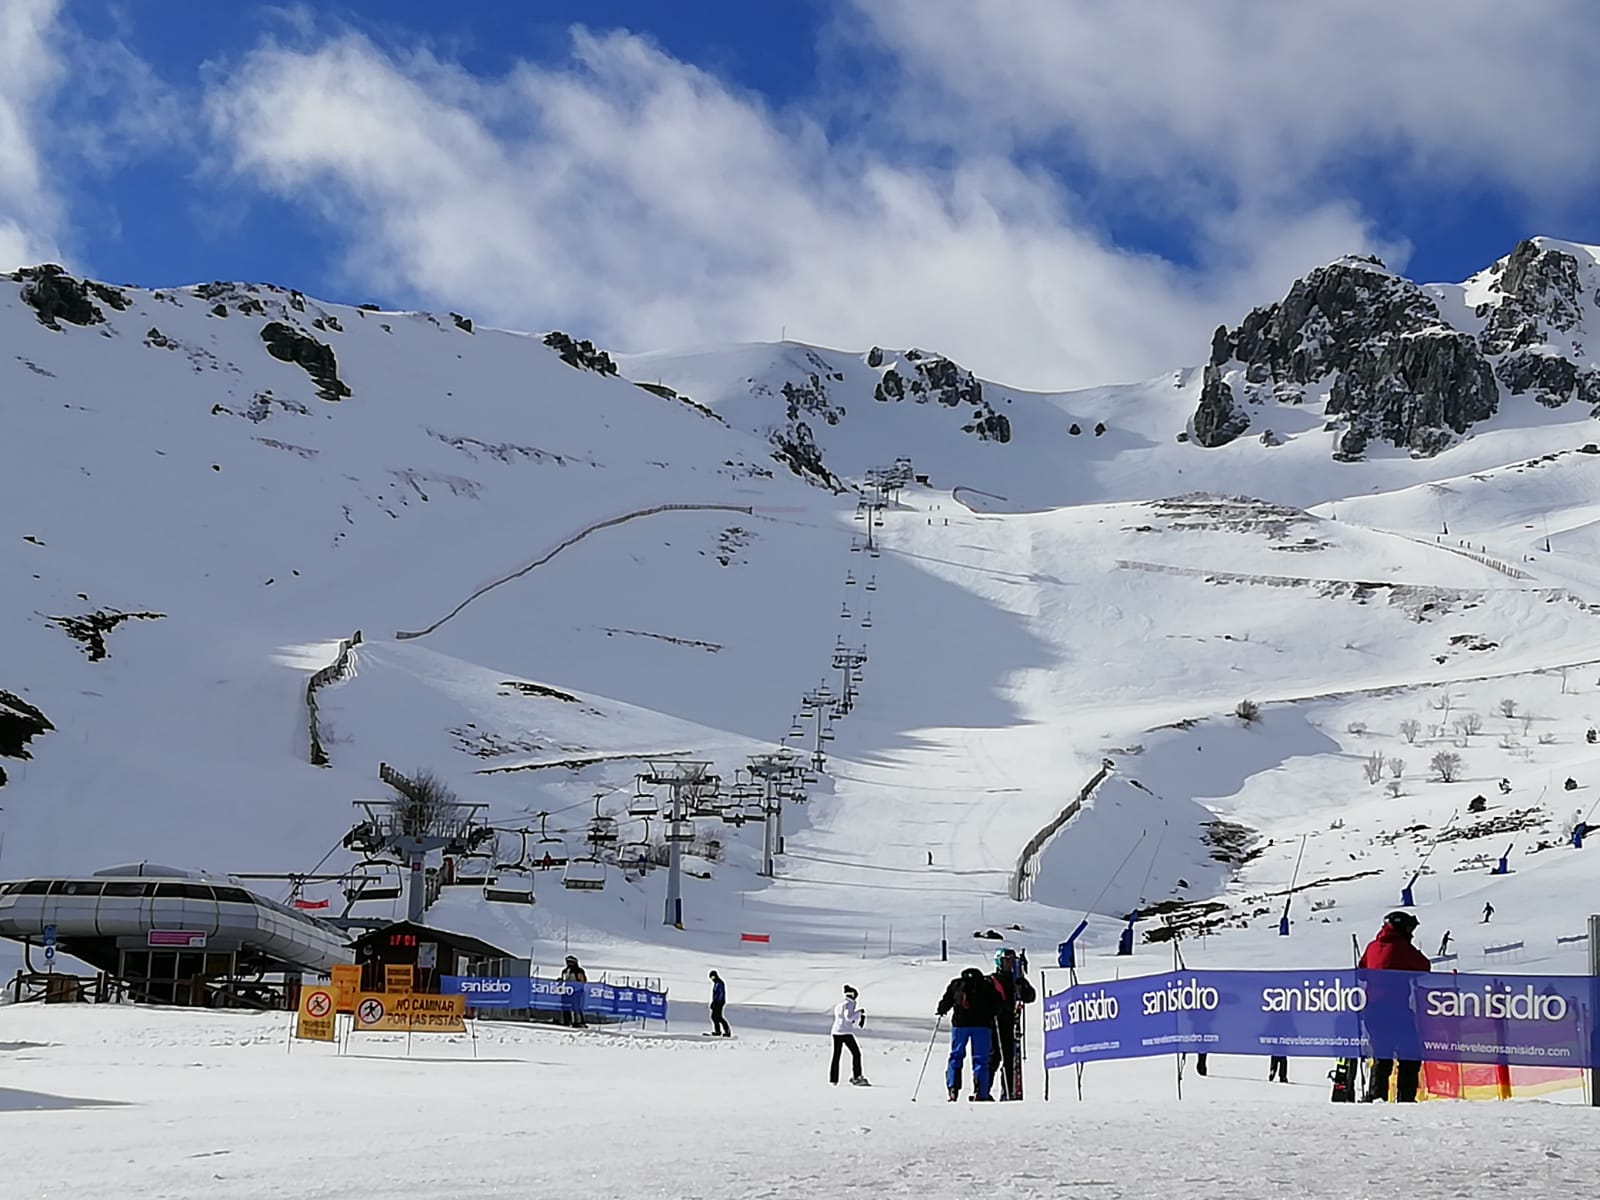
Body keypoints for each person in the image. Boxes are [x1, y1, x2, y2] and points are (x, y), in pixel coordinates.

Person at [1358, 910, 1430, 1102]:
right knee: (1410, 1053)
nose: (1411, 933)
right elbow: (1424, 966)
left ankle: (1375, 1096)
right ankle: (1406, 1097)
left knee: (1382, 1055)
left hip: (1373, 1009)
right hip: (1396, 1009)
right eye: (1409, 929)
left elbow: (1361, 971)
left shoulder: (1372, 946)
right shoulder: (1401, 947)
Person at [937, 966, 1000, 1101]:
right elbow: (998, 1003)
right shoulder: (986, 985)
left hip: (960, 1025)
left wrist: (942, 1009)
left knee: (956, 1056)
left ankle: (953, 1088)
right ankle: (981, 1091)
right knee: (981, 1059)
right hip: (982, 1025)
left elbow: (946, 1001)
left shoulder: (956, 984)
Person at [986, 947, 1036, 1100]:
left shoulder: (1017, 980)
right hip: (995, 1025)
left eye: (1012, 961)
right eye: (1006, 961)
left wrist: (1023, 987)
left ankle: (1008, 1091)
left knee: (1010, 1060)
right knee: (993, 1059)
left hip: (1012, 1024)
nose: (1009, 964)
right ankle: (983, 1091)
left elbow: (1030, 997)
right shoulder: (991, 980)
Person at [830, 984, 869, 1085]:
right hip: (845, 1032)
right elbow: (849, 1017)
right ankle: (857, 1077)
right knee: (856, 1053)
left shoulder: (839, 1005)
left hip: (836, 1032)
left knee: (836, 1056)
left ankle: (833, 1079)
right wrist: (859, 1013)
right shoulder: (850, 1004)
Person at [559, 954, 588, 1028]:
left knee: (577, 1007)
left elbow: (583, 980)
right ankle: (566, 1021)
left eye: (570, 962)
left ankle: (578, 1022)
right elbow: (563, 980)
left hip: (577, 992)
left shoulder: (578, 971)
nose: (568, 963)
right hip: (566, 991)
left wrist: (577, 986)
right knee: (566, 1006)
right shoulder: (564, 971)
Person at [707, 970, 731, 1037]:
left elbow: (720, 994)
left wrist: (717, 1003)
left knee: (717, 1017)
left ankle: (726, 1031)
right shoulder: (716, 983)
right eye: (711, 978)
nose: (712, 979)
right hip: (716, 1002)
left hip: (719, 1002)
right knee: (715, 1017)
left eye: (713, 977)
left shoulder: (720, 983)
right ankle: (718, 1031)